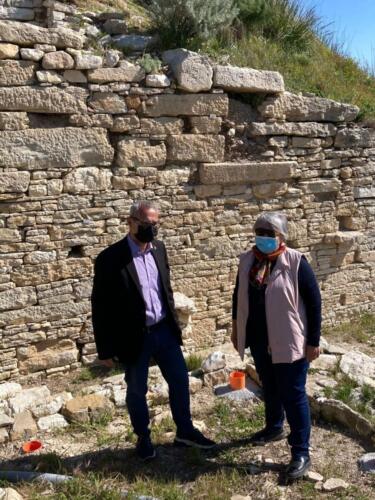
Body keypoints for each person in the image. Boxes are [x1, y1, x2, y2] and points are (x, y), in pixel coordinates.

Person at [91, 201, 215, 460]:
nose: (151, 229)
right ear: (131, 222)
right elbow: (101, 306)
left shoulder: (158, 249)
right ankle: (143, 439)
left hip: (164, 331)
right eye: (146, 224)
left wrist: (174, 324)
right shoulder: (111, 258)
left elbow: (165, 289)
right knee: (137, 389)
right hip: (134, 337)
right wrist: (105, 349)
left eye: (155, 224)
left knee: (180, 380)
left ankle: (184, 431)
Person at [231, 212, 321, 480]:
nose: (264, 237)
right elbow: (239, 295)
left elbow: (314, 303)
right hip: (259, 339)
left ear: (282, 236)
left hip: (289, 340)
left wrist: (313, 341)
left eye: (270, 233)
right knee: (270, 386)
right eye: (260, 232)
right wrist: (237, 328)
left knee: (292, 394)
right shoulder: (248, 260)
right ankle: (273, 426)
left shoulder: (296, 262)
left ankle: (300, 452)